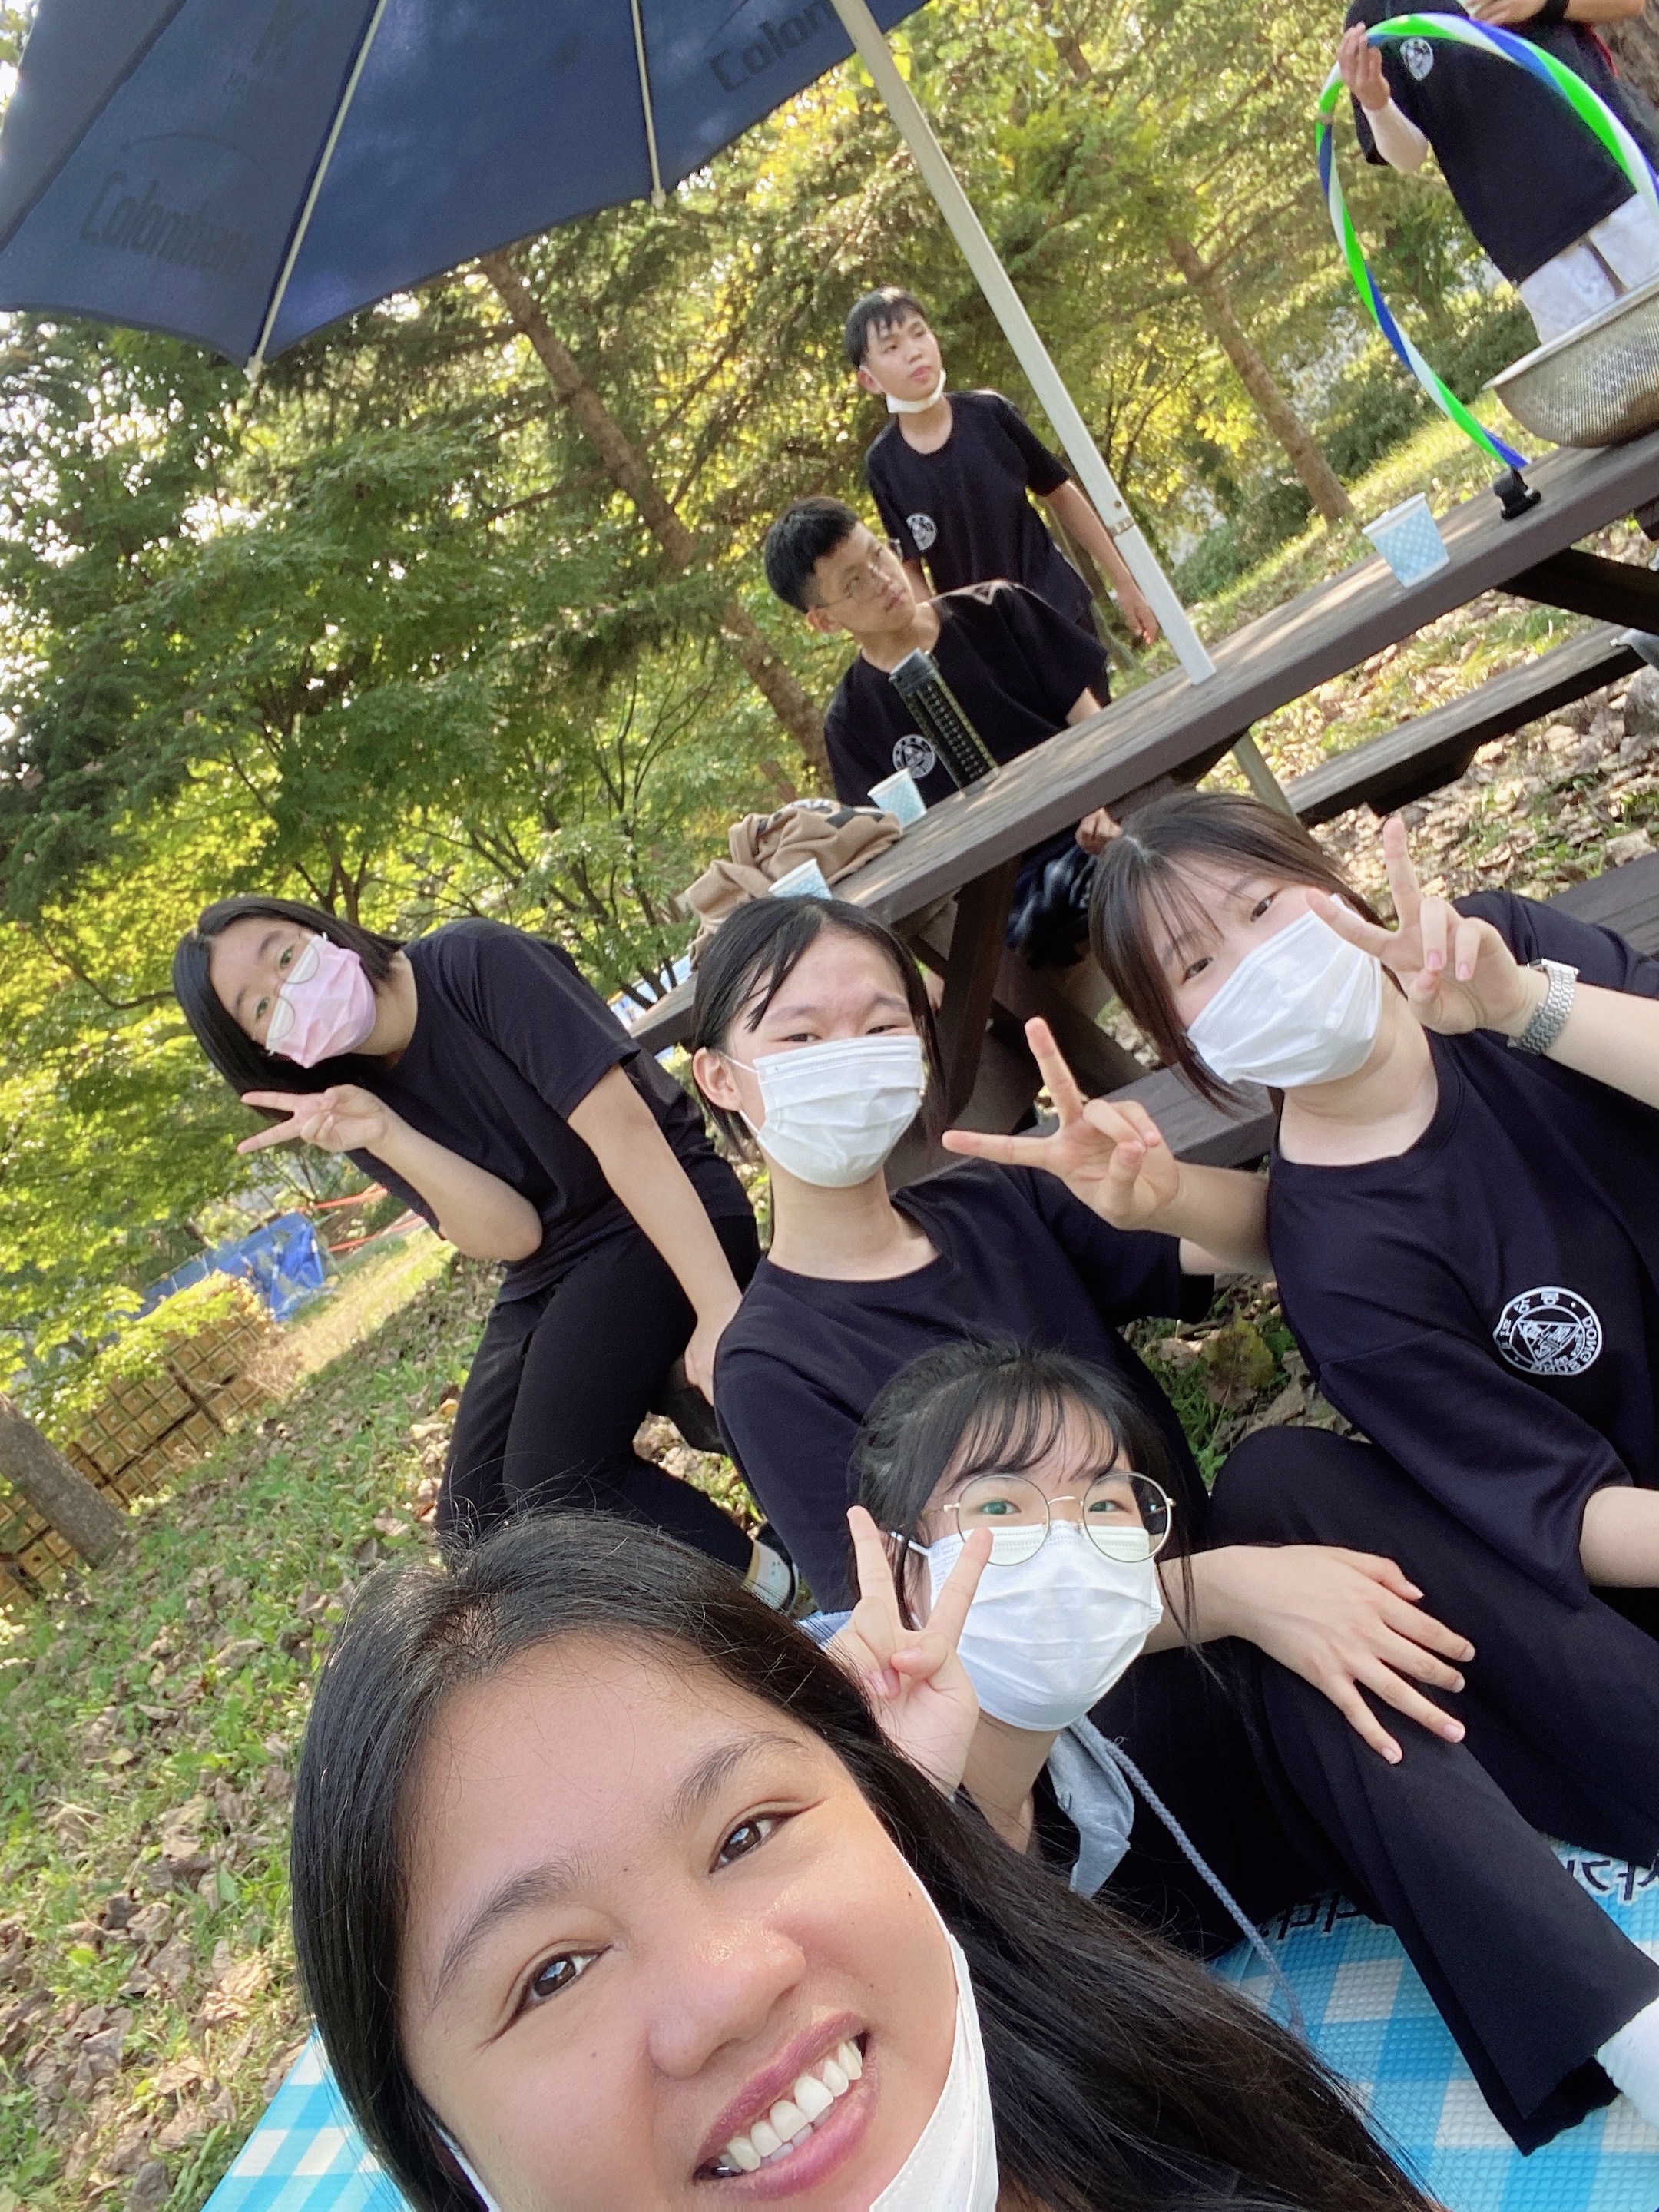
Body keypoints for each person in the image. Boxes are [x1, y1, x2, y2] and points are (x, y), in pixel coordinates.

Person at [290, 1510, 1439, 2210]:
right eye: (554, 1974)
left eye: (746, 1834)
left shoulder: (1173, 2106)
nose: (733, 1987)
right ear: (441, 2148)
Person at [833, 1339, 1659, 2150]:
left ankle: (1632, 2032)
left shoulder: (1085, 1786)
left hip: (1152, 1878)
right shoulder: (832, 1761)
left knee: (1308, 1635)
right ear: (899, 1565)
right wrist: (894, 1804)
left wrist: (1246, 1598)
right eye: (1000, 1508)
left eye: (1106, 1504)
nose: (1067, 1546)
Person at [1082, 790, 1659, 1632]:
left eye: (1261, 905)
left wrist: (1525, 1008)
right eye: (1196, 965)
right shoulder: (1337, 1265)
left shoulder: (1497, 955)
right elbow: (1569, 1508)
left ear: (1327, 880)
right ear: (1180, 1041)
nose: (1257, 960)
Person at [172, 899, 791, 1600]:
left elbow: (625, 1131)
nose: (290, 990)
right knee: (473, 1528)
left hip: (656, 1207)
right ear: (267, 1053)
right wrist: (387, 1135)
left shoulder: (476, 963)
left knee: (554, 1479)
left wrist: (718, 1309)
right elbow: (513, 1235)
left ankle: (769, 1588)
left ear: (321, 931)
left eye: (285, 956)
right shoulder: (347, 1101)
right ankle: (660, 1626)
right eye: (262, 1009)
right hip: (550, 1265)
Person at [761, 495, 1116, 975]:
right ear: (824, 620)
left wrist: (1104, 800)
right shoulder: (851, 724)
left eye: (877, 554)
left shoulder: (997, 609)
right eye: (855, 582)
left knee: (1140, 872)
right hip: (998, 905)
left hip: (1091, 830)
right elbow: (885, 856)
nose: (883, 579)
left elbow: (1096, 728)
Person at [847, 285, 1160, 646]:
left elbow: (1061, 494)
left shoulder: (990, 413)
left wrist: (1124, 582)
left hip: (1058, 609)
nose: (913, 352)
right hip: (990, 641)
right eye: (891, 347)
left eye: (919, 333)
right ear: (869, 379)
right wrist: (948, 641)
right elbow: (909, 567)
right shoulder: (884, 465)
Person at [1336, 0, 1659, 345]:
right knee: (1619, 374)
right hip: (1535, 251)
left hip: (1628, 188)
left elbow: (1629, 5)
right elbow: (1408, 158)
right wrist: (1377, 104)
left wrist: (1543, 4)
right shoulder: (1375, 16)